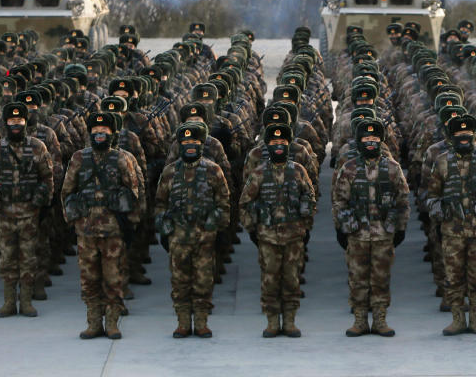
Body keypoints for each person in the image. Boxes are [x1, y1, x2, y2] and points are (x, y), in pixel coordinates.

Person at [62, 111, 142, 339]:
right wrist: (72, 221)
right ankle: (94, 322)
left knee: (113, 278)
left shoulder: (121, 158)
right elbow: (67, 191)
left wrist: (130, 226)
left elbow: (134, 192)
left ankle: (113, 322)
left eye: (104, 130)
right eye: (96, 131)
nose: (99, 134)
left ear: (112, 133)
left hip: (113, 230)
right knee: (89, 279)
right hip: (86, 231)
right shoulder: (79, 158)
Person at [332, 119, 410, 337]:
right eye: (366, 139)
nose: (370, 142)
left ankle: (380, 320)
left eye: (375, 139)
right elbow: (339, 200)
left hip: (383, 235)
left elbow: (402, 200)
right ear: (359, 141)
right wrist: (343, 227)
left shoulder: (393, 169)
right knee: (357, 279)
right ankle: (359, 320)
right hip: (357, 235)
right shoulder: (349, 168)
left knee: (381, 279)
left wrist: (399, 228)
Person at [425, 114, 476, 335]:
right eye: (459, 134)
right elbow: (432, 195)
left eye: (468, 134)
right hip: (452, 231)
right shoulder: (441, 161)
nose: (464, 138)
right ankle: (458, 319)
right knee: (454, 277)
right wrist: (438, 222)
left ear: (474, 135)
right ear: (452, 137)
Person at [239, 124, 316, 338]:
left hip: (293, 236)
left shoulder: (298, 171)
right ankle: (272, 321)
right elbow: (245, 203)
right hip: (267, 237)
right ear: (267, 146)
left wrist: (305, 225)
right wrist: (253, 229)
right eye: (274, 143)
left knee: (292, 279)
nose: (279, 146)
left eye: (282, 143)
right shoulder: (259, 173)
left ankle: (290, 321)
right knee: (270, 280)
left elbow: (309, 198)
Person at [155, 121, 230, 338]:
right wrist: (164, 225)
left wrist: (214, 224)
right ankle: (183, 323)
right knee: (179, 282)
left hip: (204, 238)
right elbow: (160, 203)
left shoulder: (213, 170)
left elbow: (224, 203)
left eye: (194, 141)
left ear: (201, 144)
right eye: (186, 141)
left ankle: (202, 322)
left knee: (203, 281)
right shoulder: (170, 172)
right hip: (178, 238)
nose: (190, 145)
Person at [0, 102, 53, 318]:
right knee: (7, 257)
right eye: (11, 121)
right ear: (5, 123)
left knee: (29, 257)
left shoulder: (38, 147)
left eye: (19, 121)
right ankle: (9, 301)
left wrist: (42, 198)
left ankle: (27, 301)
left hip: (29, 212)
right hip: (4, 213)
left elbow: (47, 178)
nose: (15, 125)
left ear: (25, 122)